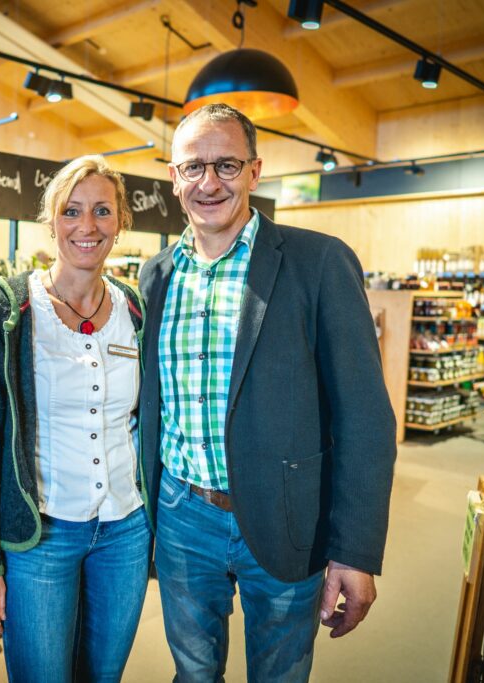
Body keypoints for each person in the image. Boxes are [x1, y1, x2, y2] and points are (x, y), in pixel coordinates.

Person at [138, 103, 397, 682]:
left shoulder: (319, 262)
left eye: (226, 165)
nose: (209, 183)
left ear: (255, 171)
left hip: (285, 519)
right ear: (173, 178)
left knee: (280, 674)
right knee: (193, 674)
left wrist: (355, 549)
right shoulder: (155, 276)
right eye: (193, 167)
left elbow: (365, 417)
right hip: (182, 518)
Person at [0, 155, 151, 683]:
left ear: (121, 223)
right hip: (41, 536)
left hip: (124, 531)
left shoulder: (135, 312)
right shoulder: (7, 312)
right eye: (72, 211)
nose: (87, 227)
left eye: (103, 211)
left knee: (103, 675)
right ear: (51, 223)